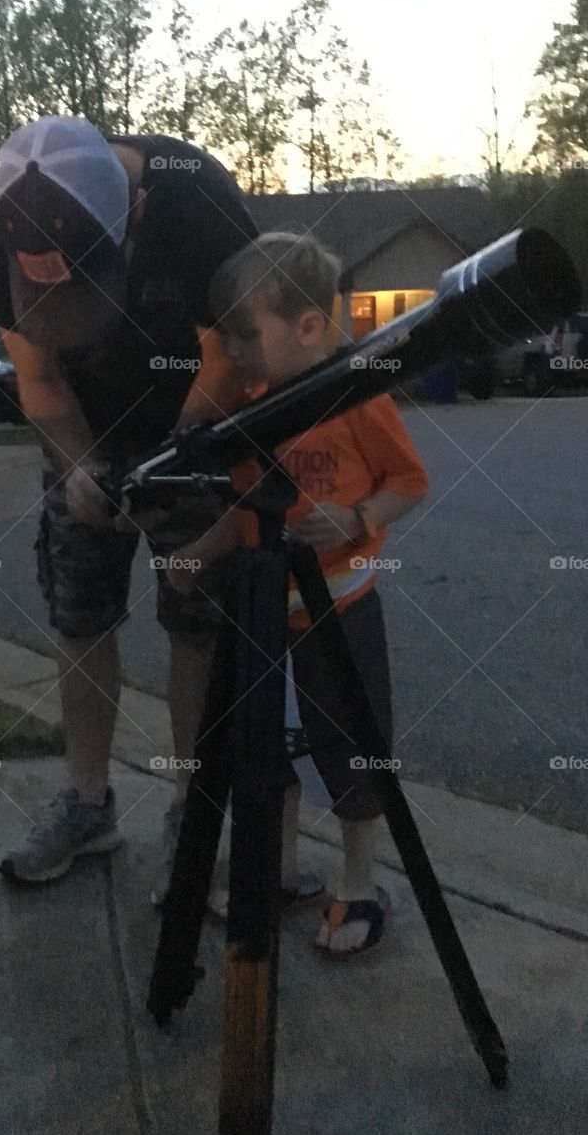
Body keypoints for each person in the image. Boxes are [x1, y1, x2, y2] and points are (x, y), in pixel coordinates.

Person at [0, 115, 258, 894]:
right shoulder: (1, 227)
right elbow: (40, 379)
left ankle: (192, 817)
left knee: (195, 619)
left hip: (196, 420)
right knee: (80, 613)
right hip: (82, 426)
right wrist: (86, 468)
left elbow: (231, 352)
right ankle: (87, 805)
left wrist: (173, 463)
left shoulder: (200, 205)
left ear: (132, 214)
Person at [165, 231, 430, 957]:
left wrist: (356, 519)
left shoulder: (357, 398)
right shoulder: (252, 411)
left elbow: (408, 481)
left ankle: (358, 884)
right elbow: (244, 508)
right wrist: (196, 552)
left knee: (350, 746)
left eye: (245, 334)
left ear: (308, 327)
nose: (234, 352)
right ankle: (275, 873)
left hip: (339, 610)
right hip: (260, 613)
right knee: (259, 749)